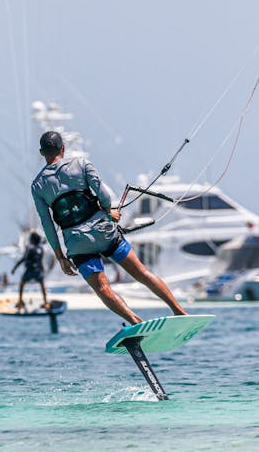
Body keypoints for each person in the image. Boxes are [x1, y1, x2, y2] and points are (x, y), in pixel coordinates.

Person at [31, 131, 187, 325]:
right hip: (104, 232)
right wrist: (108, 210)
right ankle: (179, 312)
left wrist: (60, 257)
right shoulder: (81, 164)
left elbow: (47, 224)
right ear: (63, 148)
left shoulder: (37, 185)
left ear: (41, 153)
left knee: (103, 289)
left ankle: (136, 323)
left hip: (78, 243)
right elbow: (103, 194)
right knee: (142, 273)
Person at [11, 231, 50, 310]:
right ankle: (46, 302)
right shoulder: (41, 249)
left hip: (30, 270)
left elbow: (23, 259)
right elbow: (40, 261)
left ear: (32, 240)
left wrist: (14, 268)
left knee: (22, 283)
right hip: (38, 271)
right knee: (42, 285)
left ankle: (20, 301)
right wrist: (42, 272)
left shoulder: (29, 248)